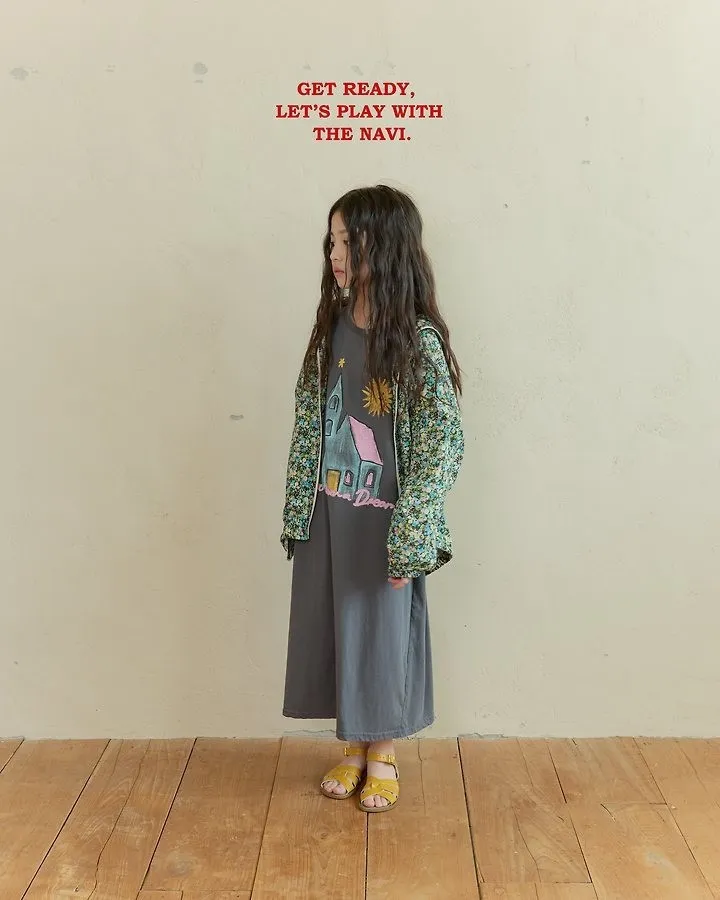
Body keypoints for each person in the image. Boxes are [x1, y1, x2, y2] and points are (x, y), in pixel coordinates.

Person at [281, 184, 464, 813]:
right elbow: (311, 418)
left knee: (382, 628)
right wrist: (299, 506)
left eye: (347, 241)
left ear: (383, 247)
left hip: (386, 516)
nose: (334, 254)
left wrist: (414, 529)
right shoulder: (329, 330)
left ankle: (382, 750)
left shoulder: (415, 339)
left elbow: (442, 441)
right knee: (339, 623)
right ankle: (353, 745)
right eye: (330, 241)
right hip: (331, 508)